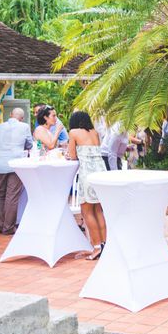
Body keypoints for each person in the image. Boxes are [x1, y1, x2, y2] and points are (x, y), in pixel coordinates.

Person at [67, 111, 107, 260]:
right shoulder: (94, 132)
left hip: (88, 174)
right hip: (101, 173)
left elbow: (72, 155)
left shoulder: (74, 132)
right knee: (98, 210)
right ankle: (104, 244)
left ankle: (96, 247)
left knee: (87, 212)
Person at [0, 108, 33, 235]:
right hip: (16, 164)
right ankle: (8, 227)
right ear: (21, 118)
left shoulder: (0, 126)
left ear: (10, 115)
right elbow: (29, 145)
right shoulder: (25, 126)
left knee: (0, 194)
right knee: (12, 195)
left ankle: (1, 223)